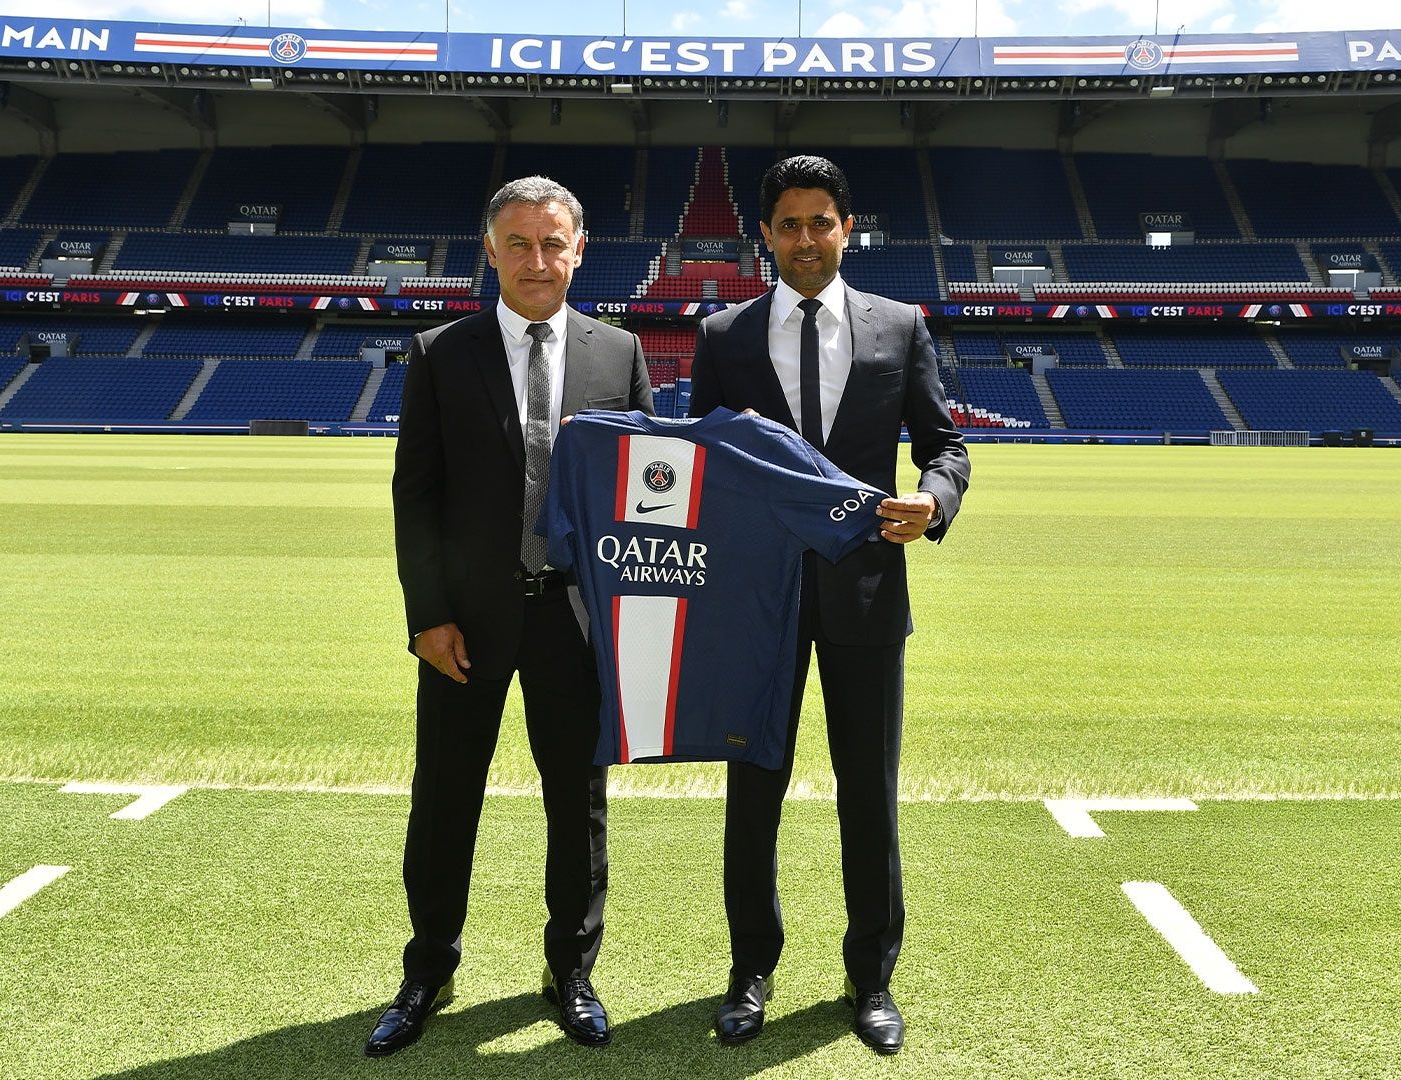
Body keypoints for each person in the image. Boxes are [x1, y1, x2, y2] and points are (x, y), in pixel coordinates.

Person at [688, 154, 970, 1056]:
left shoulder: (901, 325)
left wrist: (933, 500)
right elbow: (700, 465)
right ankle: (750, 970)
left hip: (866, 593)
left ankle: (870, 977)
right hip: (755, 602)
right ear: (764, 235)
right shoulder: (723, 334)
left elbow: (946, 445)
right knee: (753, 792)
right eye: (789, 224)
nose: (805, 239)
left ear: (848, 228)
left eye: (821, 222)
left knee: (869, 794)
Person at [369, 176, 655, 1057]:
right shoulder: (441, 352)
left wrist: (633, 620)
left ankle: (571, 970)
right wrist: (427, 615)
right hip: (465, 624)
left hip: (576, 619)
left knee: (579, 805)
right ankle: (429, 969)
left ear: (579, 250)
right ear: (490, 250)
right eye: (520, 243)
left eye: (553, 243)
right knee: (444, 799)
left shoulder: (620, 352)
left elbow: (643, 502)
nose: (538, 260)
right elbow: (416, 496)